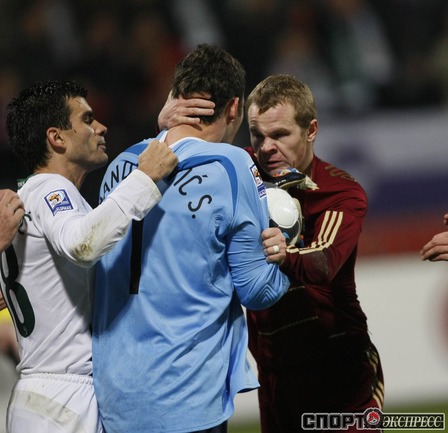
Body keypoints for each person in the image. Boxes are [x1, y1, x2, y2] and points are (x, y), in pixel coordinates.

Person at [159, 74, 385, 433]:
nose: (266, 148)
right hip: (276, 375)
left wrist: (285, 253)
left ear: (311, 130)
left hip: (341, 372)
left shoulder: (339, 192)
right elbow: (178, 168)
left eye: (279, 135)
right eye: (257, 135)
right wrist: (166, 129)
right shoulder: (240, 168)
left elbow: (325, 261)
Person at [92, 44, 290, 433]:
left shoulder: (120, 165)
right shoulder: (231, 165)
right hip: (187, 392)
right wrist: (282, 253)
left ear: (176, 96)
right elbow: (256, 290)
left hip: (116, 397)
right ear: (234, 108)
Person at [1, 80, 178, 433]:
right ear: (57, 138)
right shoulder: (52, 189)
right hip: (62, 396)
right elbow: (83, 243)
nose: (101, 127)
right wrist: (144, 178)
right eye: (87, 119)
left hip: (44, 396)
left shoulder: (28, 198)